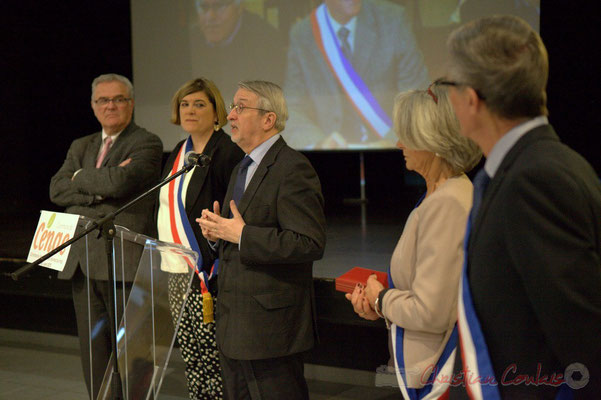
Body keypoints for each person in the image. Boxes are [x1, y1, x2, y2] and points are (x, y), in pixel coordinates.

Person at [442, 15, 601, 398]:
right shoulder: (537, 165)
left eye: (449, 85)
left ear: (472, 98)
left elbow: (585, 341)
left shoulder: (534, 180)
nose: (447, 97)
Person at [346, 84, 481, 398]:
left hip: (439, 377)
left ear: (433, 141)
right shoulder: (438, 194)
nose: (398, 143)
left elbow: (431, 313)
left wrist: (381, 300)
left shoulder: (448, 201)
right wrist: (381, 307)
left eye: (407, 135)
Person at [197, 80, 326, 399]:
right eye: (232, 108)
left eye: (240, 107)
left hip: (271, 331)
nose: (230, 116)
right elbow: (236, 236)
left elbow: (309, 242)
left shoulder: (293, 168)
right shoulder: (241, 168)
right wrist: (218, 235)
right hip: (233, 326)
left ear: (268, 119)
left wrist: (241, 234)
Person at [49, 73, 163, 399]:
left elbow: (120, 184)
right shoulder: (81, 145)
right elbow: (57, 189)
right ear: (93, 106)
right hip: (83, 263)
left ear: (131, 103)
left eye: (118, 99)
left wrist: (81, 179)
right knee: (94, 356)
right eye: (103, 100)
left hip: (124, 262)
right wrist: (97, 189)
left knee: (133, 358)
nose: (110, 106)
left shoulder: (146, 142)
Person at [155, 77, 244, 399]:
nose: (190, 110)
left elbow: (232, 210)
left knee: (212, 357)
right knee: (191, 355)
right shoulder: (181, 151)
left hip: (206, 273)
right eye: (184, 104)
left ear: (217, 110)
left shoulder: (226, 152)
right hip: (173, 268)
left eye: (199, 104)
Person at [283, 0, 429, 149]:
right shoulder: (303, 34)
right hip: (332, 157)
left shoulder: (393, 20)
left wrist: (394, 142)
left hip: (392, 150)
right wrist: (319, 144)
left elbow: (418, 99)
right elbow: (292, 110)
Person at [189, 0, 286, 104]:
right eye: (203, 7)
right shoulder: (189, 40)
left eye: (219, 6)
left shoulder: (266, 39)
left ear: (239, 8)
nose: (211, 16)